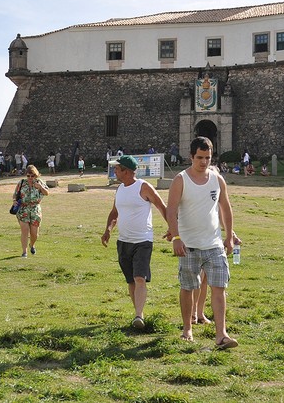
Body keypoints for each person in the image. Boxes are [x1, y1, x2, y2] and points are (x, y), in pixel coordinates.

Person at [165, 136, 238, 350]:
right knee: (188, 287)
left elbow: (225, 208)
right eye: (199, 157)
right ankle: (187, 328)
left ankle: (221, 335)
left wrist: (229, 235)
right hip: (188, 245)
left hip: (214, 244)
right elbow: (171, 210)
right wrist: (176, 238)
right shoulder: (181, 179)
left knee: (219, 287)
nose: (204, 162)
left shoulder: (217, 179)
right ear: (191, 156)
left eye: (207, 157)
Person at [101, 155, 168, 330]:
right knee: (131, 280)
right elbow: (114, 212)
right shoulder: (120, 189)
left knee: (139, 278)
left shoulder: (144, 187)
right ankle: (139, 313)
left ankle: (138, 316)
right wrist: (108, 229)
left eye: (117, 168)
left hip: (143, 241)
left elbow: (162, 207)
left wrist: (173, 230)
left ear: (127, 171)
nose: (114, 171)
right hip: (124, 241)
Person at [15, 165, 50, 257]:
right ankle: (24, 252)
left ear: (36, 175)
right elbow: (15, 195)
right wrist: (15, 201)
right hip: (23, 209)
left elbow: (47, 193)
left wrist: (40, 187)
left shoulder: (39, 182)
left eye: (32, 176)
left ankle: (32, 244)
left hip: (35, 210)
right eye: (28, 176)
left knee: (34, 234)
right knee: (24, 231)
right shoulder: (22, 183)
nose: (30, 178)